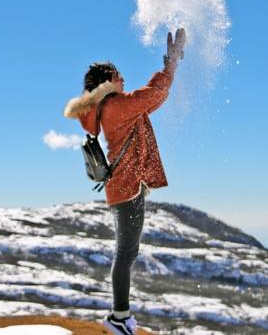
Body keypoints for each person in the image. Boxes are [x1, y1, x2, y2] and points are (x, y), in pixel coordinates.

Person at [63, 28, 186, 335]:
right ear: (107, 83)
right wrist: (170, 65)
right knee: (126, 252)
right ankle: (119, 317)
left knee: (125, 252)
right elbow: (153, 95)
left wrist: (171, 67)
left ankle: (120, 315)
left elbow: (149, 100)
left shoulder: (105, 108)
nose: (123, 79)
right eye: (118, 76)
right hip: (127, 187)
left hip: (121, 187)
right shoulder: (117, 105)